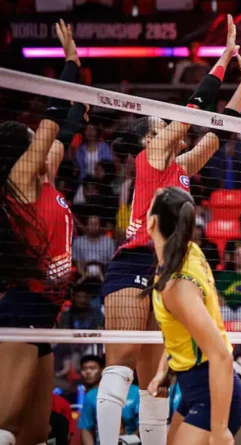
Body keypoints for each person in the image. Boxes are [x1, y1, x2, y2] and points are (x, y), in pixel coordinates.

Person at [95, 21, 241, 445]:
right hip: (134, 260)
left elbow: (218, 132)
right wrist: (223, 58)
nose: (170, 127)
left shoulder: (180, 167)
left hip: (166, 267)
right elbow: (193, 110)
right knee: (121, 363)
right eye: (161, 124)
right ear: (151, 136)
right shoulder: (150, 156)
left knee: (157, 380)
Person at [0, 20, 85, 445]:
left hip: (48, 314)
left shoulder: (45, 178)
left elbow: (63, 131)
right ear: (23, 153)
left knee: (34, 432)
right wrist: (69, 62)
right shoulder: (19, 181)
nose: (45, 145)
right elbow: (53, 120)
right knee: (5, 421)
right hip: (22, 307)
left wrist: (80, 102)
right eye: (35, 141)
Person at [144, 187, 241, 445]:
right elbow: (181, 329)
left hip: (213, 391)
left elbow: (221, 356)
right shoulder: (188, 252)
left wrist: (219, 430)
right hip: (194, 387)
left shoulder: (177, 285)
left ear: (152, 222)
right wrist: (164, 369)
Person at [79, 356, 141, 445]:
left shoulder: (136, 392)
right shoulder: (91, 395)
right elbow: (86, 428)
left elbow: (144, 424)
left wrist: (130, 441)